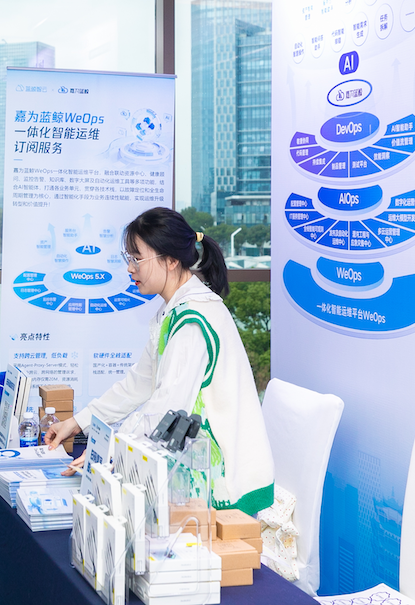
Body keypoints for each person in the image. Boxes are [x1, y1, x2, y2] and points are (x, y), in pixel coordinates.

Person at [44, 207, 275, 515]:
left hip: (222, 487)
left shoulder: (193, 320)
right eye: (128, 258)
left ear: (171, 260)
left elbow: (166, 409)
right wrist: (77, 423)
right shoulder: (172, 312)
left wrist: (110, 449)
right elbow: (137, 385)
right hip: (193, 465)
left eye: (137, 258)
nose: (130, 269)